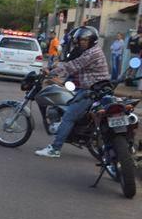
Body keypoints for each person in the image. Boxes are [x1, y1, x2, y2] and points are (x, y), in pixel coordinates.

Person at [35, 26, 110, 158]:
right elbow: (69, 62)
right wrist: (53, 66)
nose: (81, 42)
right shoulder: (90, 51)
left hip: (91, 89)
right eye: (80, 40)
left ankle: (55, 148)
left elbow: (72, 66)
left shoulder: (91, 53)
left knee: (68, 117)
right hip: (95, 87)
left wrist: (50, 72)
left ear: (91, 40)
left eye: (84, 40)